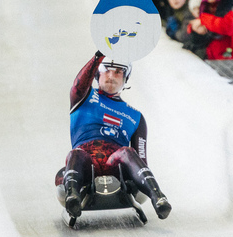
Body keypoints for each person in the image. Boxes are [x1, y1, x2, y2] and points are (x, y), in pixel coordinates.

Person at [63, 52, 171, 220]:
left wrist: (136, 182)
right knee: (76, 154)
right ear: (97, 74)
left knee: (127, 152)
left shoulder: (136, 117)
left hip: (115, 166)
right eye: (106, 70)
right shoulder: (83, 96)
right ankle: (72, 196)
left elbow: (141, 159)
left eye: (118, 72)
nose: (111, 76)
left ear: (125, 78)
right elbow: (79, 84)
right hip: (85, 165)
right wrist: (97, 57)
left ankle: (158, 198)